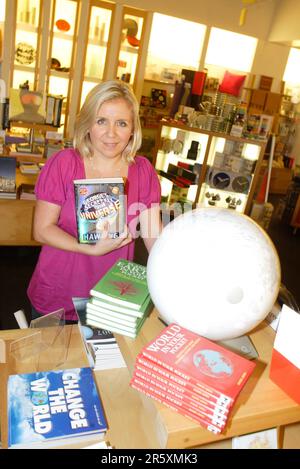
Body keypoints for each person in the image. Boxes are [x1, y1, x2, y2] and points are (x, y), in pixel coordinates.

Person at [27, 80, 162, 322]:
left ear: (133, 129)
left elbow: (154, 236)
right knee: (52, 360)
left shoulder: (143, 171)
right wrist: (88, 248)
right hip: (58, 293)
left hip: (110, 296)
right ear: (88, 123)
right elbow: (42, 230)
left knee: (107, 360)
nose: (111, 133)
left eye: (121, 123)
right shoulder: (64, 163)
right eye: (102, 121)